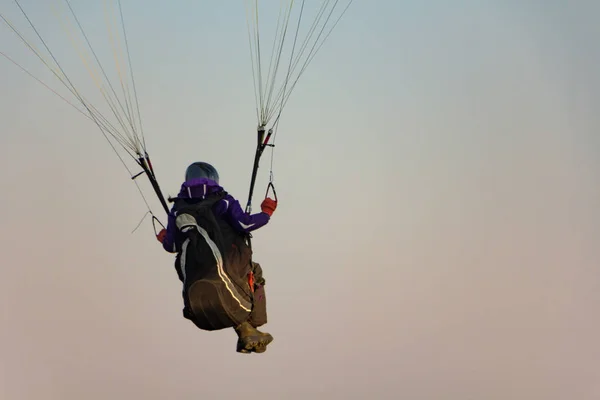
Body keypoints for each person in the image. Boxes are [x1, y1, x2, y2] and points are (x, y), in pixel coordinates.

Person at [156, 161, 277, 354]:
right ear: (213, 179)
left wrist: (164, 237)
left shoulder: (178, 209)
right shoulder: (223, 200)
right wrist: (266, 213)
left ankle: (247, 331)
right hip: (226, 262)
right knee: (255, 271)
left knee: (229, 277)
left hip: (195, 283)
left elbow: (172, 245)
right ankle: (253, 325)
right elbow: (244, 225)